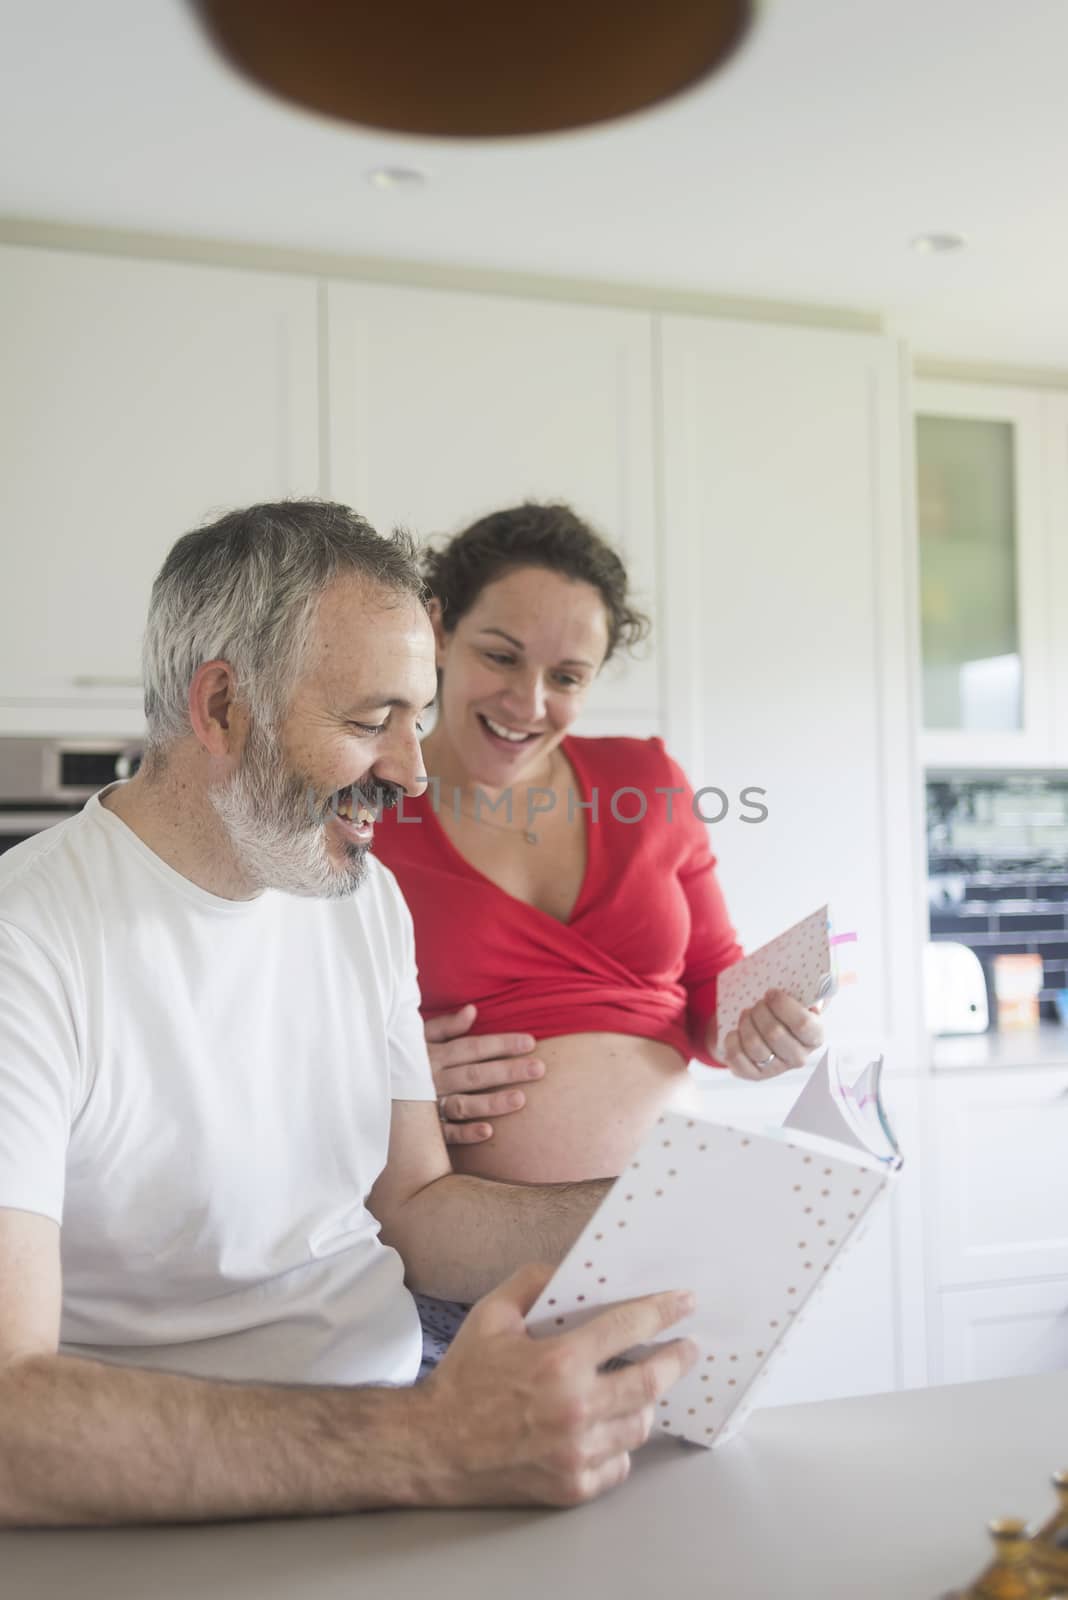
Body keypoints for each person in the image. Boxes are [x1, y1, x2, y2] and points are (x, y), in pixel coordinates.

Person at [0, 500, 698, 1528]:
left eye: (417, 717)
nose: (413, 771)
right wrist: (435, 1444)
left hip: (393, 1452)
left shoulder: (360, 899)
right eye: (374, 721)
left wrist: (671, 1219)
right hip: (175, 1505)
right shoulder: (30, 940)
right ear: (224, 707)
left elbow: (417, 1210)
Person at [375, 501, 824, 1190]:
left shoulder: (648, 784)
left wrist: (760, 1031)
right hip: (477, 1254)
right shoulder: (365, 817)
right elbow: (286, 1042)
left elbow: (709, 991)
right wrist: (391, 1085)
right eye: (500, 656)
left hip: (677, 1218)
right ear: (439, 631)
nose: (528, 704)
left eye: (566, 677)